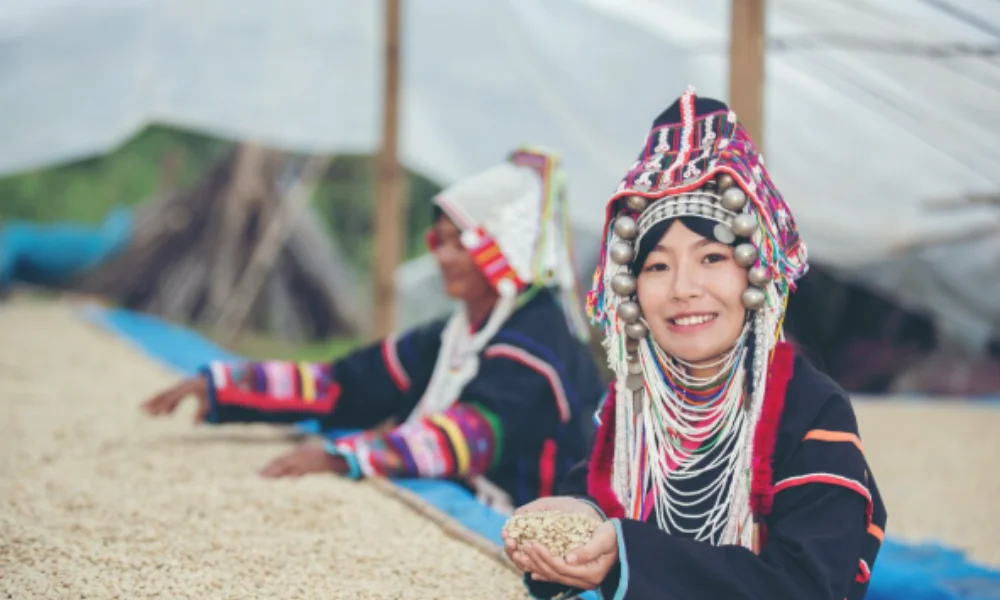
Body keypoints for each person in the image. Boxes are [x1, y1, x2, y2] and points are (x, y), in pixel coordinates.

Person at [503, 89, 887, 599]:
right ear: (632, 290)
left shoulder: (812, 413)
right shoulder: (636, 405)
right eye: (658, 266)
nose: (683, 289)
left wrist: (629, 555)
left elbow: (808, 587)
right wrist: (577, 519)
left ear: (756, 272)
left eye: (711, 258)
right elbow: (597, 493)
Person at [142, 147, 606, 513]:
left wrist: (343, 457)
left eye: (458, 244)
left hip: (520, 528)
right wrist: (225, 383)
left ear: (501, 248)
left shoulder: (539, 343)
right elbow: (344, 384)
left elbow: (467, 439)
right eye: (438, 242)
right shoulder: (454, 335)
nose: (441, 257)